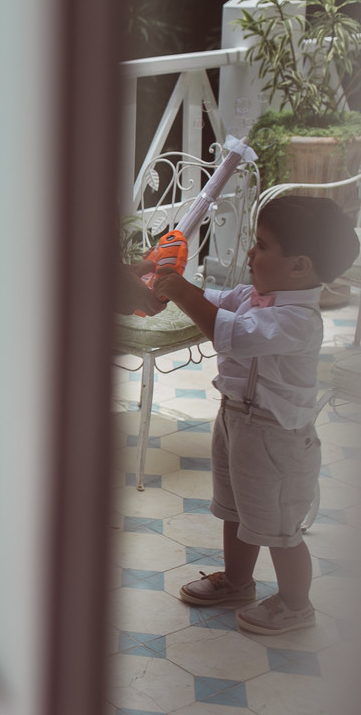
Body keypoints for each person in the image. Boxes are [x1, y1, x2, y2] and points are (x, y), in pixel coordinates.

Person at [153, 195, 359, 635]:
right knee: (235, 509)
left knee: (279, 527)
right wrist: (173, 286)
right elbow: (217, 301)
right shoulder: (256, 295)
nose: (250, 253)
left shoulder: (299, 319)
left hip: (277, 438)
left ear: (299, 266)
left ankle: (295, 605)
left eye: (262, 245)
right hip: (237, 420)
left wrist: (182, 292)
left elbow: (235, 335)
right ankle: (237, 582)